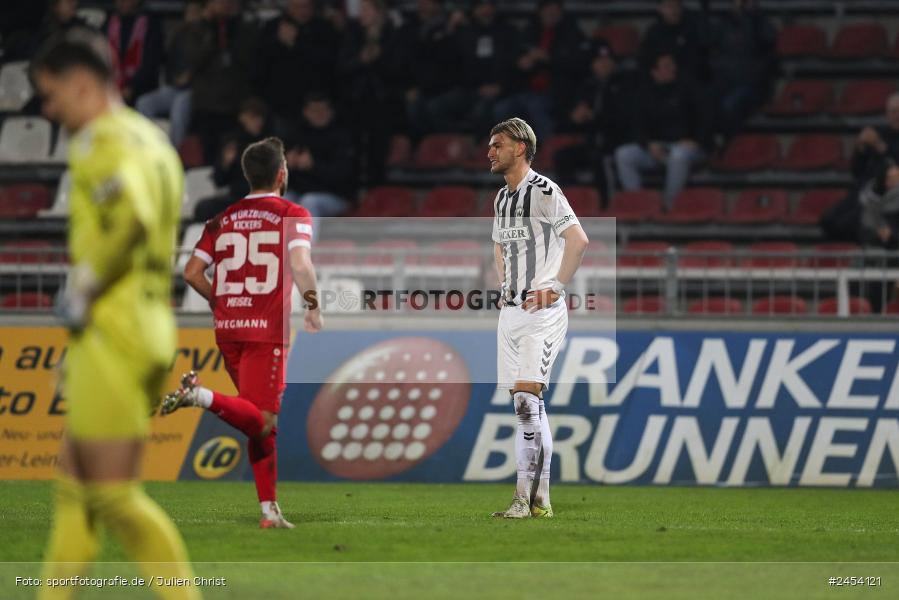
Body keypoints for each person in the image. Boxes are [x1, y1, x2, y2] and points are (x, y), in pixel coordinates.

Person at [30, 28, 198, 599]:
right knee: (75, 491)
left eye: (51, 96)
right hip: (147, 325)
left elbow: (133, 219)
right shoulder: (153, 139)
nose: (49, 111)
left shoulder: (100, 141)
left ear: (82, 84)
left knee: (112, 495)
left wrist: (84, 285)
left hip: (113, 327)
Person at [163, 137, 323, 529]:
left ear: (247, 175)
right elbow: (300, 263)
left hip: (228, 330)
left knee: (257, 418)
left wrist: (220, 303)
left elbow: (190, 273)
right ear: (282, 174)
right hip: (265, 332)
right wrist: (314, 305)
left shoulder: (220, 220)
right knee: (264, 420)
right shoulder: (292, 212)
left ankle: (269, 511)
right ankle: (200, 394)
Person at [487, 118, 589, 518]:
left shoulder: (544, 191)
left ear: (521, 148)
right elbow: (498, 246)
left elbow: (578, 240)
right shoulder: (502, 198)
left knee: (528, 401)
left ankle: (520, 501)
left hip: (541, 312)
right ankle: (540, 501)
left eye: (498, 144)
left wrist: (556, 286)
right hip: (512, 313)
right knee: (526, 405)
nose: (490, 152)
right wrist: (505, 285)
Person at [614, 53, 710, 206]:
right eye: (666, 66)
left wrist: (696, 140)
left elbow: (705, 119)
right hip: (658, 149)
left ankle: (669, 206)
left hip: (688, 148)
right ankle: (639, 204)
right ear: (655, 71)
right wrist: (648, 144)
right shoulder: (645, 93)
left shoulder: (689, 88)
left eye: (672, 65)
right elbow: (637, 124)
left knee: (678, 156)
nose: (672, 69)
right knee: (624, 154)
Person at [493, 0, 589, 141]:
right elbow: (513, 59)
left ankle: (548, 148)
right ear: (540, 12)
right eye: (547, 10)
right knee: (501, 109)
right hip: (524, 89)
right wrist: (522, 62)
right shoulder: (529, 32)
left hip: (555, 90)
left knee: (536, 106)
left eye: (554, 10)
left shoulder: (572, 34)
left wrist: (548, 59)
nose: (550, 14)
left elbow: (577, 65)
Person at [554, 38, 635, 204]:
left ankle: (608, 208)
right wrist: (576, 118)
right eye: (599, 61)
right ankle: (571, 205)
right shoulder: (587, 86)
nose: (604, 64)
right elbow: (569, 121)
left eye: (608, 60)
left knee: (602, 160)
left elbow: (624, 119)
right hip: (593, 142)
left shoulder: (625, 85)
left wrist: (594, 117)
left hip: (616, 143)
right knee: (562, 157)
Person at [254, 0, 341, 133]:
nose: (302, 11)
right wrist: (278, 42)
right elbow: (261, 60)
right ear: (289, 7)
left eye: (306, 6)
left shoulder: (323, 27)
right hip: (282, 103)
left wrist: (295, 44)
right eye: (297, 7)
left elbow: (329, 60)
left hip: (315, 103)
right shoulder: (273, 26)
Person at [134, 0, 206, 148]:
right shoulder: (179, 34)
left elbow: (204, 63)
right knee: (143, 103)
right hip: (174, 87)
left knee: (179, 105)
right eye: (189, 12)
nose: (191, 16)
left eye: (195, 12)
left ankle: (175, 152)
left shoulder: (207, 34)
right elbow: (168, 61)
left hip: (197, 90)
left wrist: (189, 77)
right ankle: (148, 146)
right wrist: (173, 79)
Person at [193, 97, 272, 221]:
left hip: (262, 197)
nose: (258, 122)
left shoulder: (268, 142)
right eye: (253, 118)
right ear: (242, 118)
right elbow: (219, 181)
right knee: (204, 208)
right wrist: (225, 163)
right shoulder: (232, 142)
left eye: (260, 118)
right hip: (237, 198)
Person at [707, 0, 777, 137]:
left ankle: (731, 147)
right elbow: (707, 41)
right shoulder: (723, 22)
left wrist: (755, 14)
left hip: (749, 84)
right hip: (724, 81)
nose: (739, 3)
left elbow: (770, 38)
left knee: (730, 105)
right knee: (703, 102)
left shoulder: (758, 21)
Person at [284, 93, 356, 224]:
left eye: (323, 110)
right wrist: (287, 166)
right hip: (301, 191)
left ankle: (306, 244)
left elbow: (342, 176)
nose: (319, 114)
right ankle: (275, 244)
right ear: (306, 112)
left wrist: (313, 166)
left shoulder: (341, 136)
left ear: (331, 112)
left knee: (309, 201)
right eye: (314, 110)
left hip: (335, 195)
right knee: (278, 200)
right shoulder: (297, 134)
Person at [103, 0, 163, 105]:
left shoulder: (150, 24)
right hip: (111, 87)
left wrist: (132, 88)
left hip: (141, 89)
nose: (121, 3)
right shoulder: (109, 23)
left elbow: (151, 63)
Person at [639, 0, 710, 83]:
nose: (673, 10)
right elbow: (643, 55)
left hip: (684, 76)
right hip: (658, 74)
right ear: (660, 8)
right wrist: (657, 65)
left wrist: (675, 67)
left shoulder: (691, 29)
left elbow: (698, 57)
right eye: (669, 6)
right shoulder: (653, 31)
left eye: (677, 6)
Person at [850, 93, 899, 188]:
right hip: (869, 188)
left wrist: (879, 145)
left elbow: (894, 167)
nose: (897, 116)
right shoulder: (878, 133)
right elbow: (856, 171)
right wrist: (861, 148)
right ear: (887, 114)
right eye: (893, 111)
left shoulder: (877, 139)